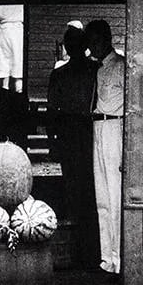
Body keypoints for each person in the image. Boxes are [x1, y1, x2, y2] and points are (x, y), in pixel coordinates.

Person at [46, 24, 99, 270]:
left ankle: (83, 250)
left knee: (78, 190)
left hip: (81, 132)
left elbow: (51, 111)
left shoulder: (90, 71)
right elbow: (52, 110)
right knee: (86, 191)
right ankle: (84, 250)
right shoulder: (91, 71)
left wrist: (52, 139)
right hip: (81, 133)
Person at [86, 18, 124, 277]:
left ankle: (119, 258)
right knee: (102, 197)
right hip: (98, 127)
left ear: (105, 39)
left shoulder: (121, 66)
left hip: (115, 128)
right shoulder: (98, 69)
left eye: (93, 41)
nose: (91, 47)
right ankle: (106, 258)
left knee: (114, 195)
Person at [0, 4, 24, 92]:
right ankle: (18, 89)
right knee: (18, 61)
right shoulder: (20, 5)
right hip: (18, 32)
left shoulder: (1, 5)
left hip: (6, 32)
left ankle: (5, 88)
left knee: (5, 62)